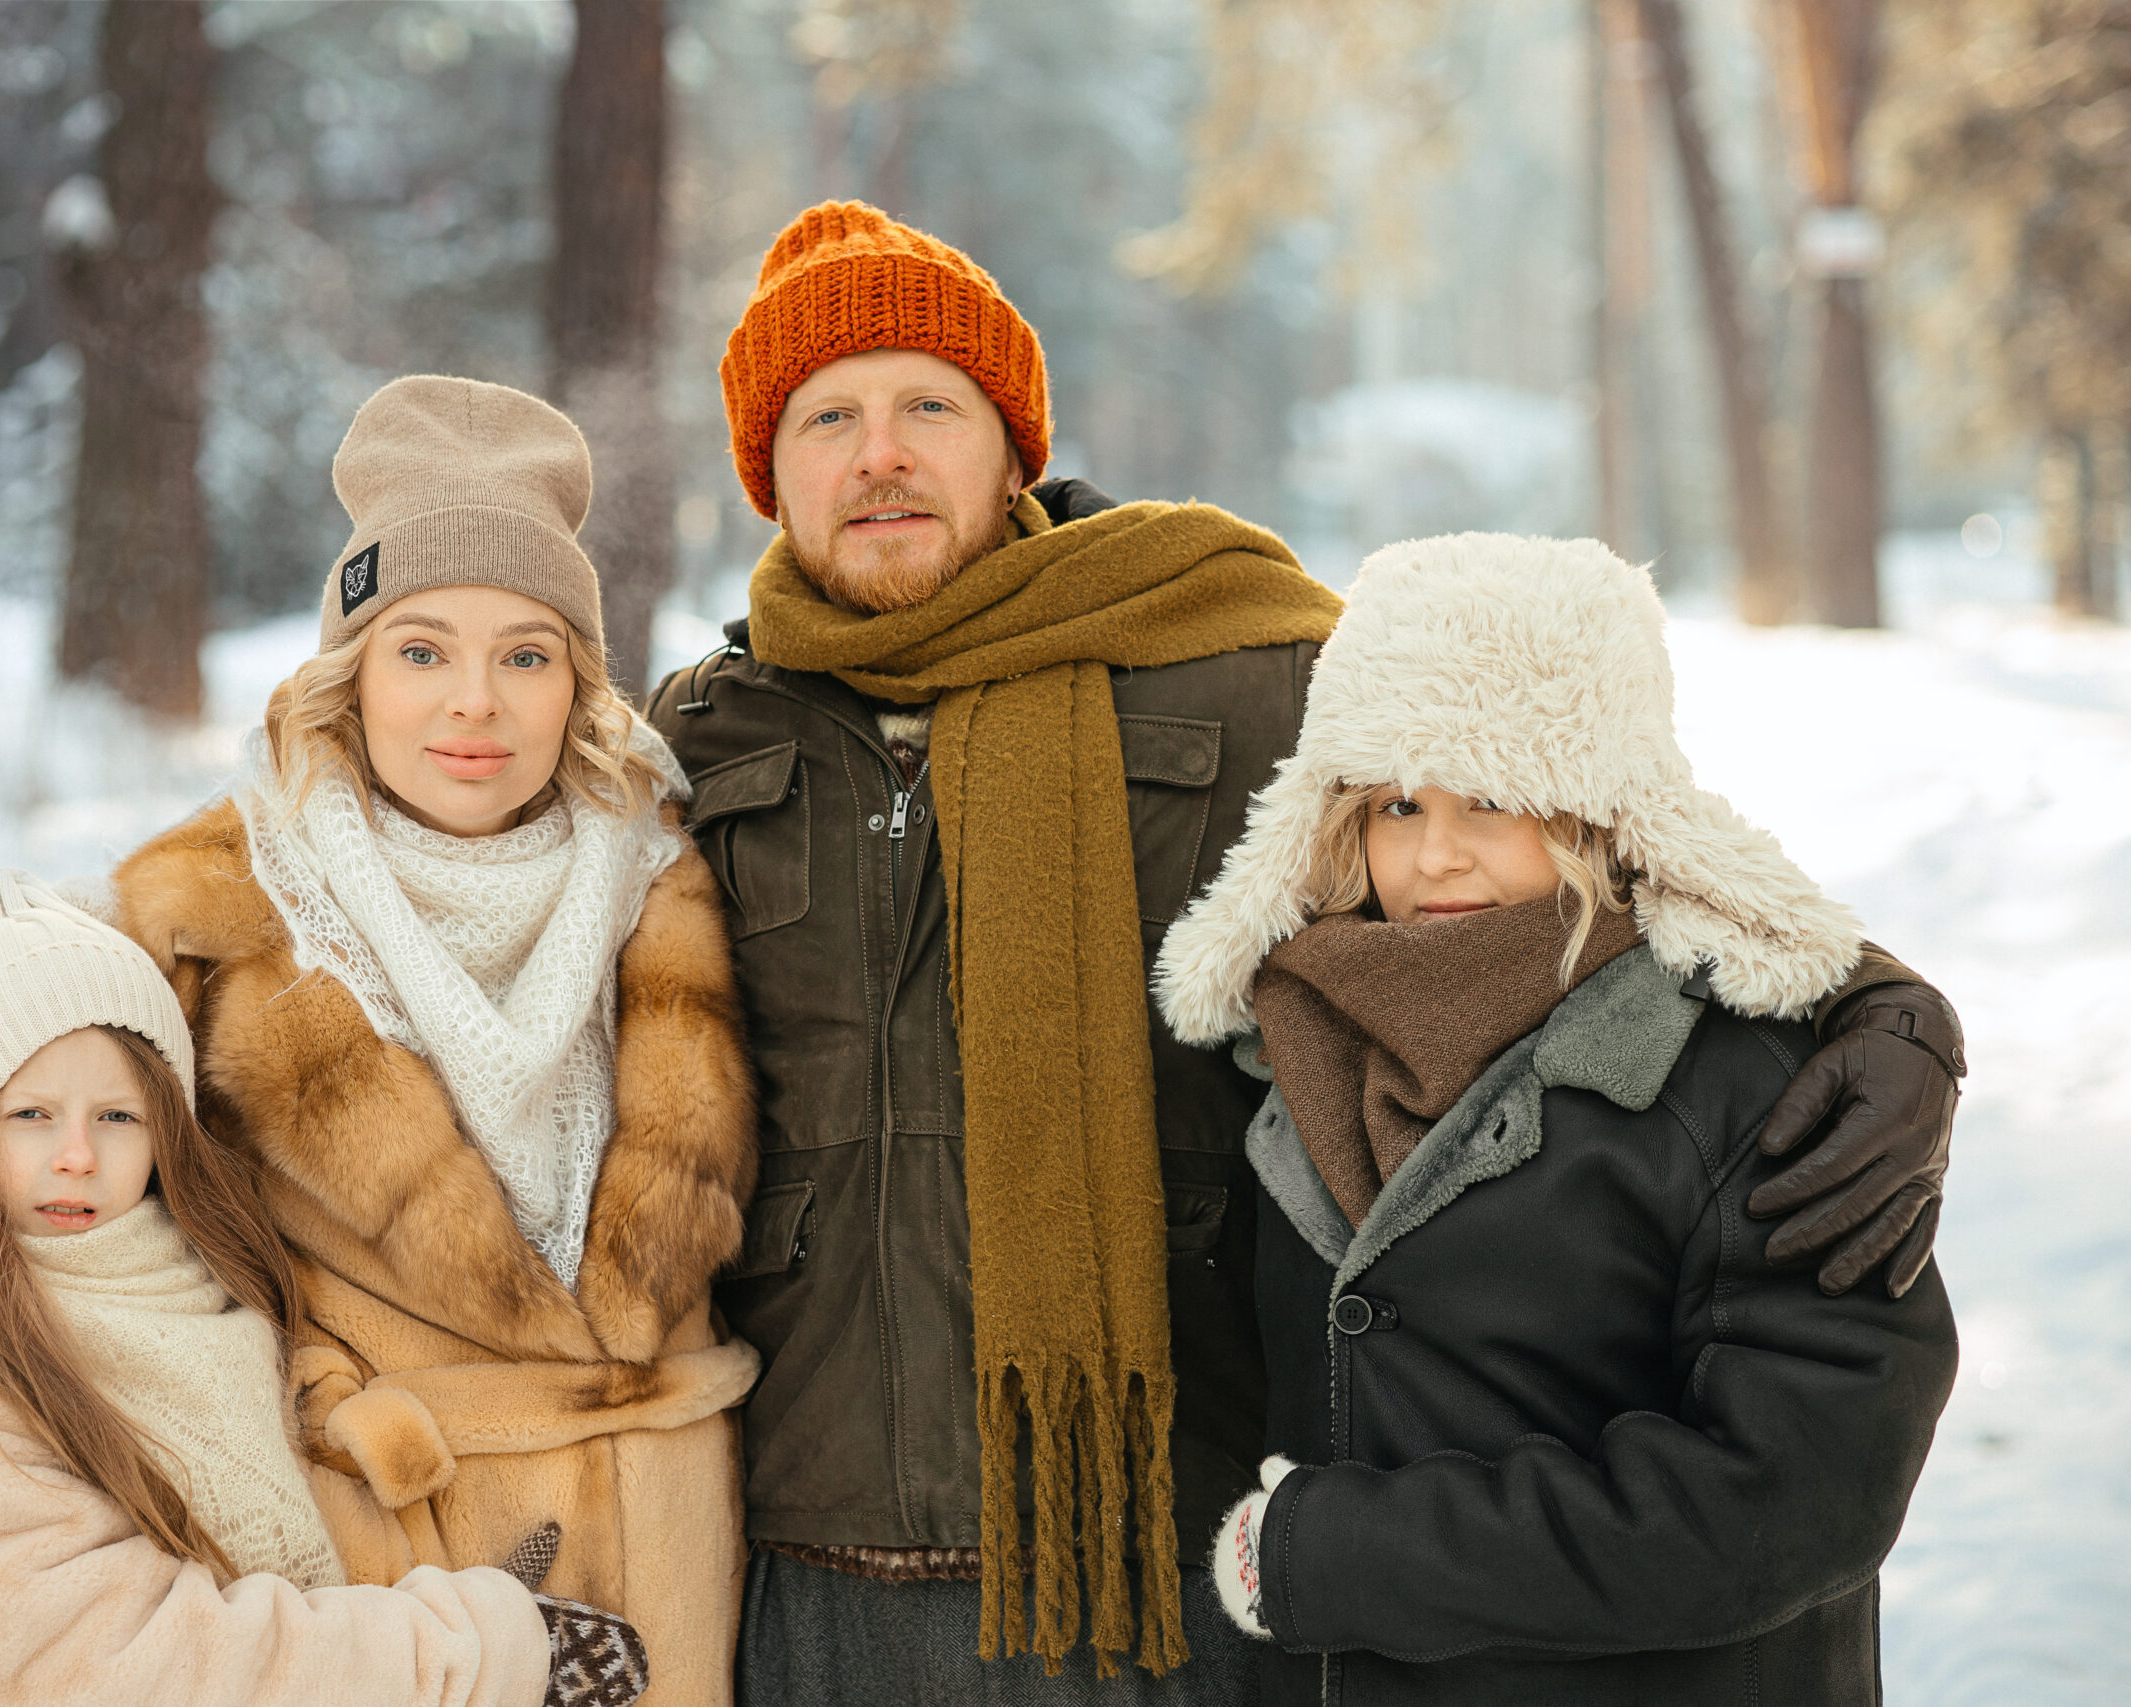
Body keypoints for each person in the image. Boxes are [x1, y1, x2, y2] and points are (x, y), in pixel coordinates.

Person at [645, 200, 1966, 1699]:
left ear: (1012, 446)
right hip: (813, 1541)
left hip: (1171, 1537)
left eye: (927, 407)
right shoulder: (697, 736)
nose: (879, 453)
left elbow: (1569, 805)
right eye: (827, 417)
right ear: (767, 468)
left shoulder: (1231, 651)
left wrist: (1877, 1011)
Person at [0, 378, 757, 1705]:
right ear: (348, 672)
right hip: (399, 1597)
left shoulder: (673, 893)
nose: (476, 701)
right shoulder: (214, 911)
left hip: (677, 1585)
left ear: (578, 681)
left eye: (526, 653)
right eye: (421, 650)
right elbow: (3, 1170)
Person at [1156, 533, 1958, 1703]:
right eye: (1395, 804)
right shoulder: (1284, 1049)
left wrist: (1336, 1556)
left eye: (1491, 798)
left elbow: (1796, 1494)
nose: (1435, 855)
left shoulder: (1749, 1082)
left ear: (1594, 810)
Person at [0, 866, 638, 1707]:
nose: (77, 1154)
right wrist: (465, 1655)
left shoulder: (186, 1288)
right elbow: (131, 1665)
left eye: (117, 1114)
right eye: (31, 1114)